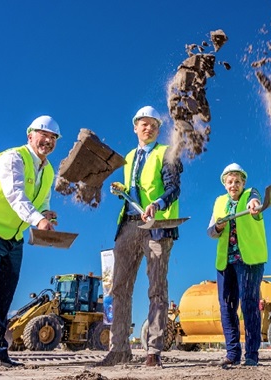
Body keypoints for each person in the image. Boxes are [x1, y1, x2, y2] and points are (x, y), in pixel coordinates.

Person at [0, 115, 61, 369]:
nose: (48, 141)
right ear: (30, 135)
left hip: (13, 237)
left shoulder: (48, 170)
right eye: (43, 135)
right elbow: (15, 195)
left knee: (4, 296)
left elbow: (43, 200)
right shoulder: (13, 158)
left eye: (53, 138)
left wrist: (46, 212)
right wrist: (38, 220)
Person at [98, 106, 182, 368]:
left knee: (157, 288)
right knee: (118, 288)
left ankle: (153, 351)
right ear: (135, 127)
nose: (149, 128)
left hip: (157, 226)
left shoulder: (166, 152)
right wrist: (122, 190)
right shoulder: (129, 157)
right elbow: (135, 191)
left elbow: (173, 188)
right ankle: (118, 349)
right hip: (128, 226)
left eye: (154, 125)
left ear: (158, 129)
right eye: (143, 124)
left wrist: (156, 203)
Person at [206, 163, 267, 367]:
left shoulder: (251, 194)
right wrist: (218, 226)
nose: (234, 185)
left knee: (249, 304)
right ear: (225, 184)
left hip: (248, 259)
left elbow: (255, 203)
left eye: (237, 181)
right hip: (226, 261)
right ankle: (232, 352)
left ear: (243, 183)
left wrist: (254, 206)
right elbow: (211, 232)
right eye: (230, 182)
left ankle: (252, 354)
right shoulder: (219, 202)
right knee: (226, 306)